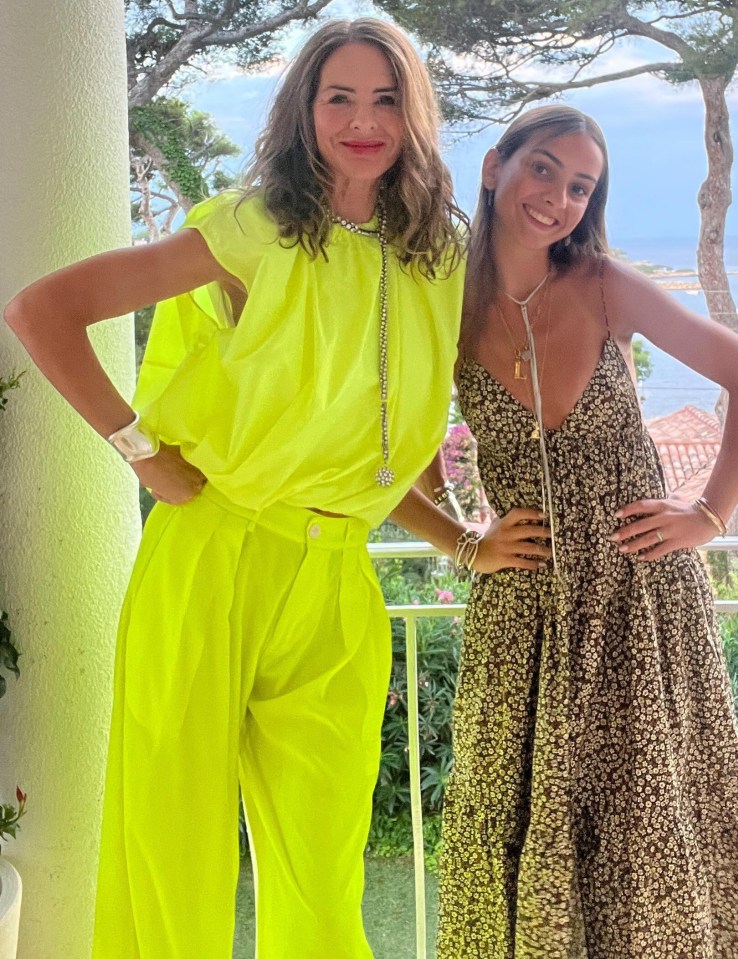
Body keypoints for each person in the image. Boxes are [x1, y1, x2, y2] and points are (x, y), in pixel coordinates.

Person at [4, 18, 466, 958]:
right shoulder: (255, 227)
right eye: (339, 96)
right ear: (304, 109)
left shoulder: (436, 253)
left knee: (322, 858)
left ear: (413, 114)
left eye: (385, 97)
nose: (362, 119)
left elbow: (380, 442)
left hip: (339, 578)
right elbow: (41, 308)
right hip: (215, 552)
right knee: (174, 844)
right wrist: (138, 450)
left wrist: (463, 538)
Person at [391, 104, 738, 957]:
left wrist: (710, 514)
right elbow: (377, 459)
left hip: (640, 608)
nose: (560, 198)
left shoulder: (605, 284)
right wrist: (461, 538)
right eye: (545, 170)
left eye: (581, 186)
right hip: (524, 620)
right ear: (496, 165)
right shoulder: (439, 312)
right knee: (521, 818)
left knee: (651, 822)